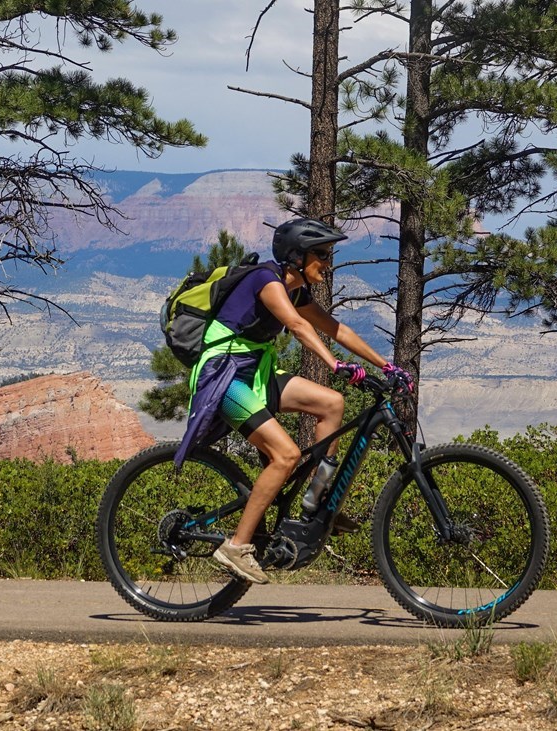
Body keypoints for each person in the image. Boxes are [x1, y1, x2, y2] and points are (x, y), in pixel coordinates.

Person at [174, 217, 413, 585]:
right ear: (297, 256)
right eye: (322, 255)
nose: (328, 264)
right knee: (286, 455)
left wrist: (387, 365)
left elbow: (337, 329)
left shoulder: (295, 291)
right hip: (223, 378)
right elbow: (299, 327)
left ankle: (317, 500)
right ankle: (236, 546)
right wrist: (335, 364)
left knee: (331, 404)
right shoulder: (265, 280)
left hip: (255, 373)